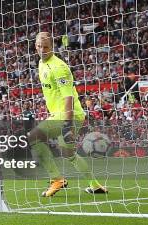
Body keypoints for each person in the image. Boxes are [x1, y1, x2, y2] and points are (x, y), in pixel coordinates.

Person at [29, 32, 107, 197]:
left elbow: (68, 97)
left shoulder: (59, 67)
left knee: (34, 137)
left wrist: (67, 124)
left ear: (52, 47)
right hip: (61, 114)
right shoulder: (41, 64)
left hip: (69, 115)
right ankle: (95, 186)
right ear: (35, 46)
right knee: (69, 154)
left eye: (46, 47)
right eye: (38, 46)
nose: (42, 50)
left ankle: (56, 179)